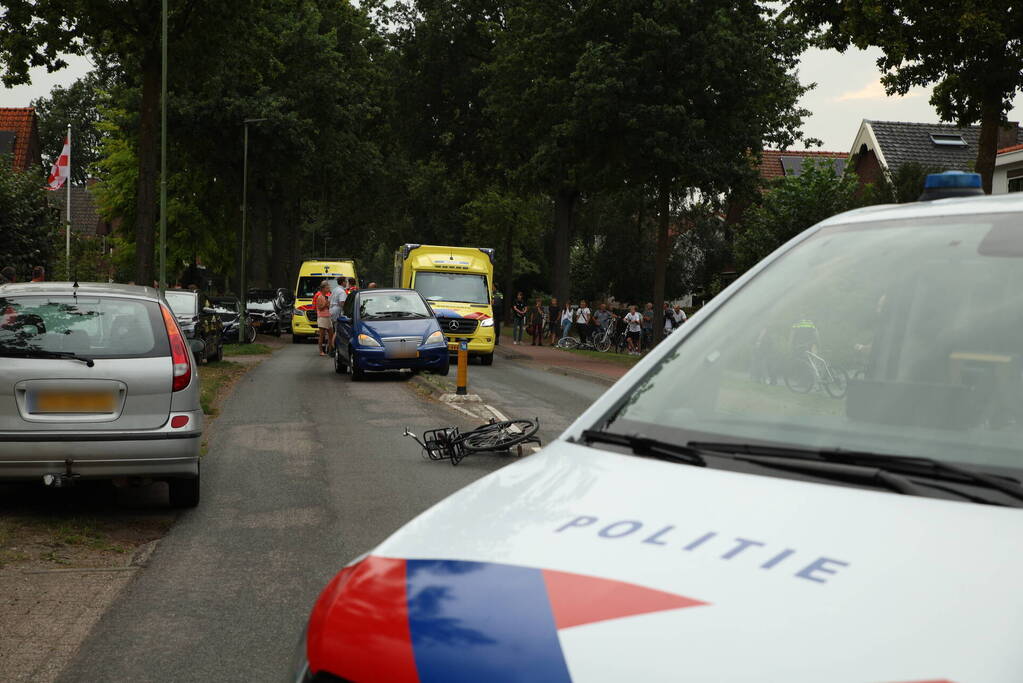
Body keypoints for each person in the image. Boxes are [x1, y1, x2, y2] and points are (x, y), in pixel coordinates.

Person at [328, 277, 347, 352]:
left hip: (331, 310)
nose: (346, 283)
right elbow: (342, 303)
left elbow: (329, 300)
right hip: (337, 311)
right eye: (345, 282)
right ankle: (333, 348)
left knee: (332, 330)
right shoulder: (342, 291)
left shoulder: (335, 289)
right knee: (337, 330)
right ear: (342, 282)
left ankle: (329, 348)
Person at [313, 280, 332, 356]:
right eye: (327, 288)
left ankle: (330, 350)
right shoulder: (320, 296)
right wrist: (326, 303)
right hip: (322, 317)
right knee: (322, 335)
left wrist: (328, 304)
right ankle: (321, 351)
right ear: (323, 288)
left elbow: (328, 307)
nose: (328, 289)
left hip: (328, 317)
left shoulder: (327, 296)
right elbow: (320, 307)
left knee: (331, 334)